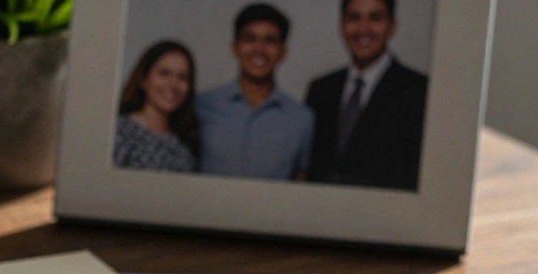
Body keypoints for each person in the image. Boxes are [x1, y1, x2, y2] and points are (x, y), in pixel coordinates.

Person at [305, 0, 428, 190]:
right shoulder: (320, 90)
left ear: (392, 26)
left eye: (375, 18)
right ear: (342, 26)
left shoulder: (419, 91)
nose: (363, 29)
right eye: (354, 18)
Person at [195, 3, 313, 181]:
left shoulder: (302, 119)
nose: (259, 49)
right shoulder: (201, 106)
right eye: (250, 39)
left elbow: (302, 183)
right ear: (235, 48)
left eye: (270, 41)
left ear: (283, 52)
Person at [114, 40, 200, 173]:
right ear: (144, 79)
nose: (173, 84)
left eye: (182, 77)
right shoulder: (119, 133)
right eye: (164, 73)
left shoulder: (187, 143)